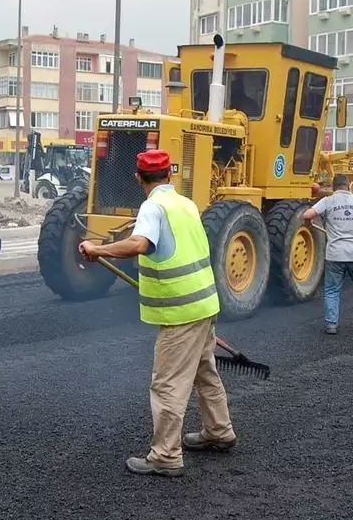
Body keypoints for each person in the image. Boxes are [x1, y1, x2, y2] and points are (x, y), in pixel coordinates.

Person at [77, 149, 236, 477]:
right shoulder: (186, 204)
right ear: (170, 175)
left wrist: (98, 249)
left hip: (180, 313)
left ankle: (165, 456)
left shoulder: (153, 206)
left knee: (167, 384)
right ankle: (219, 431)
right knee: (204, 372)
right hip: (205, 303)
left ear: (138, 178)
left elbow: (139, 244)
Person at [302, 173, 353, 335]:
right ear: (349, 186)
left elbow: (307, 215)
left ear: (333, 187)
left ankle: (331, 325)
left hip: (335, 254)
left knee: (332, 290)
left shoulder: (328, 201)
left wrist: (308, 224)